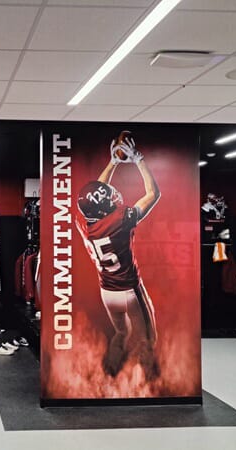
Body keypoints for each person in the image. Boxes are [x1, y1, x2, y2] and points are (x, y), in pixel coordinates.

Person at [75, 132, 161, 380]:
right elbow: (153, 194)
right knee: (148, 340)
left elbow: (96, 192)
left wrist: (112, 162)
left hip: (107, 292)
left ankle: (108, 377)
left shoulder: (82, 220)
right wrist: (138, 159)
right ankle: (150, 386)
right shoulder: (119, 219)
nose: (112, 195)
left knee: (121, 333)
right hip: (130, 291)